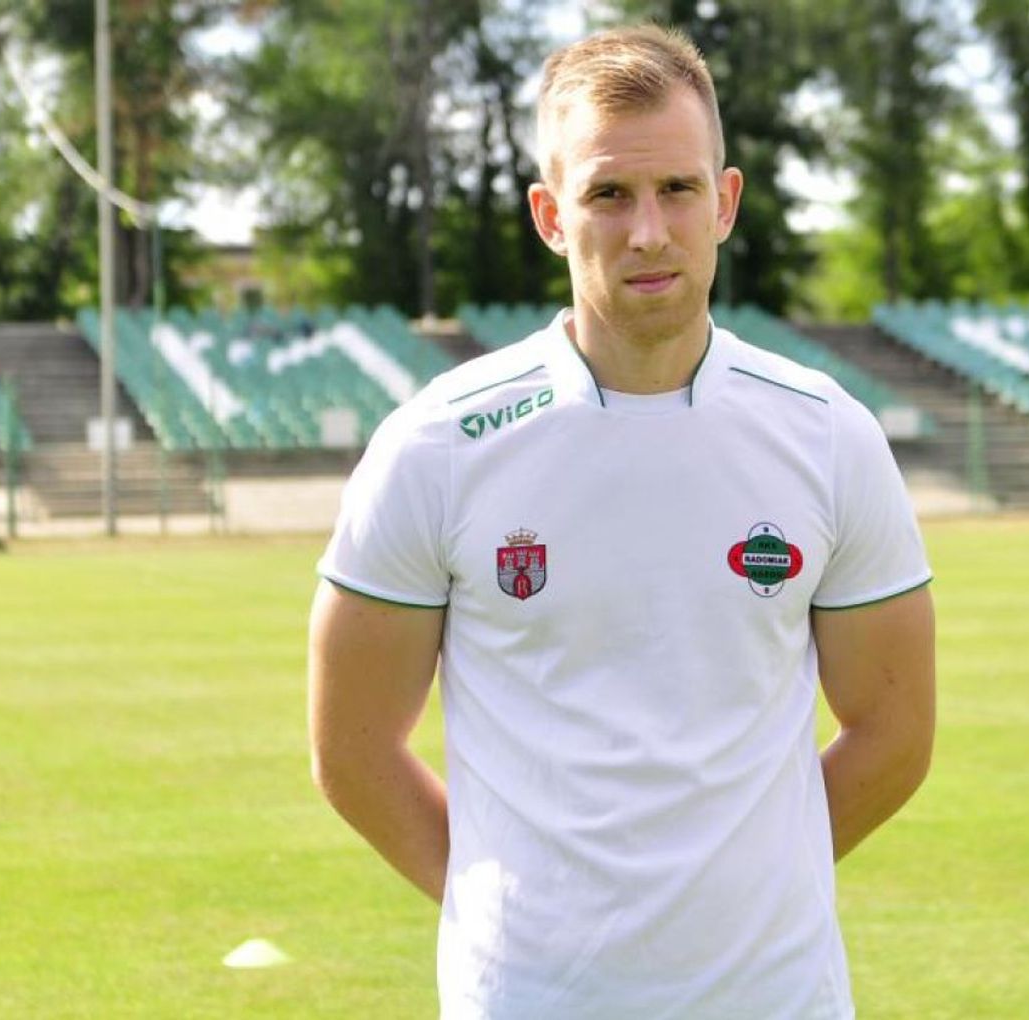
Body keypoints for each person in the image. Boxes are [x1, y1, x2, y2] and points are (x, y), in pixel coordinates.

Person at [308, 23, 935, 1018]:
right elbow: (351, 747)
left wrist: (750, 891)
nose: (648, 231)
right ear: (551, 215)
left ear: (724, 203)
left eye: (677, 188)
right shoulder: (438, 444)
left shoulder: (827, 435)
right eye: (609, 194)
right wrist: (508, 910)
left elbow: (896, 730)